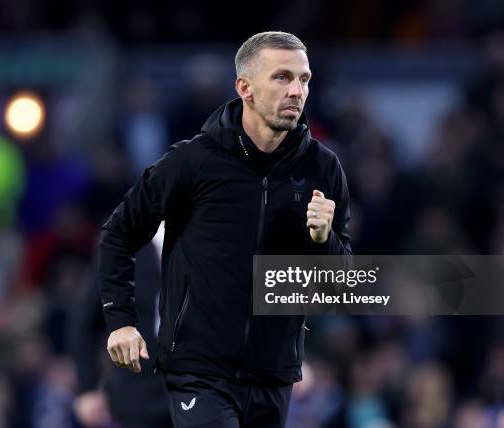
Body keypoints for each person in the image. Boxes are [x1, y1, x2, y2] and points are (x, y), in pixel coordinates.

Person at [98, 31, 352, 427]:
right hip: (198, 371)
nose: (296, 91)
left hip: (273, 375)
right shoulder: (192, 162)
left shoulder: (323, 168)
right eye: (282, 77)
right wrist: (122, 322)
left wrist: (325, 240)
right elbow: (118, 233)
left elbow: (339, 284)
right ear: (245, 88)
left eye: (304, 79)